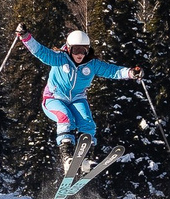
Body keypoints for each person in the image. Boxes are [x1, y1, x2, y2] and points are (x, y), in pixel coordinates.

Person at [14, 26, 141, 177]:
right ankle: (67, 157)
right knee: (65, 118)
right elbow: (40, 51)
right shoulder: (59, 58)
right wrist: (25, 37)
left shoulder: (92, 64)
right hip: (53, 98)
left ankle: (86, 159)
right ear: (68, 48)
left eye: (83, 50)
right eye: (76, 50)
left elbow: (112, 71)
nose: (80, 54)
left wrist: (131, 73)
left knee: (87, 122)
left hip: (77, 99)